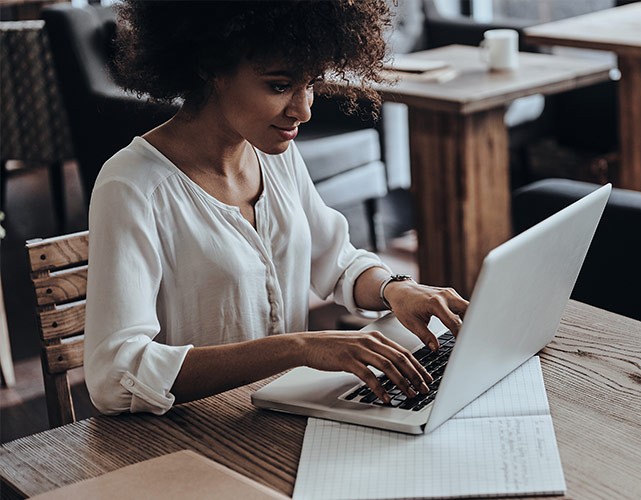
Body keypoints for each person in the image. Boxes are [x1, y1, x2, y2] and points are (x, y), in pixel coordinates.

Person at [84, 0, 469, 416]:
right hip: (193, 439)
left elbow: (336, 261)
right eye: (279, 86)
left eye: (311, 84)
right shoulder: (132, 185)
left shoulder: (275, 153)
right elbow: (113, 375)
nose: (303, 109)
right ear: (209, 67)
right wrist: (298, 348)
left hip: (282, 414)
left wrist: (396, 289)